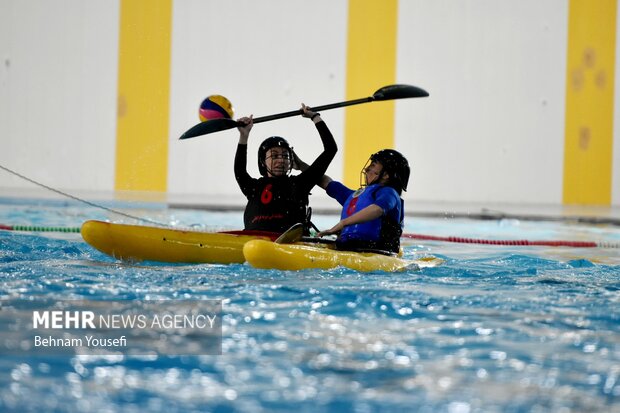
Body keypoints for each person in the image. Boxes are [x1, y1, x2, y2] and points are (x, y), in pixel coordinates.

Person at [234, 104, 337, 233]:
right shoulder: (253, 187)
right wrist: (244, 136)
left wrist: (315, 117)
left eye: (285, 156)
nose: (281, 160)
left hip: (291, 244)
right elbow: (239, 171)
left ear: (291, 162)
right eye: (274, 156)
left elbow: (330, 149)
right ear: (263, 162)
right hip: (253, 242)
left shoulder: (300, 184)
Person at [315, 149, 410, 255]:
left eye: (373, 165)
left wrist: (343, 223)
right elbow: (327, 183)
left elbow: (378, 209)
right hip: (351, 247)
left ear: (386, 175)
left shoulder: (390, 193)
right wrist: (301, 165)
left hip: (377, 252)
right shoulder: (357, 197)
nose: (366, 169)